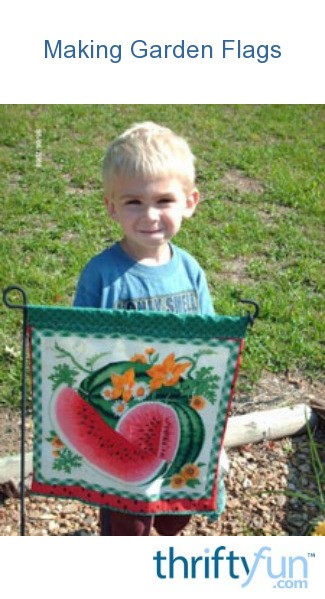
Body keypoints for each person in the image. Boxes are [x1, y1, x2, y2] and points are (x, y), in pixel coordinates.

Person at [74, 121, 227, 535]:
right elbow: (80, 352)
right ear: (111, 207)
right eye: (134, 202)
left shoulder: (192, 271)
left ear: (190, 202)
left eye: (163, 199)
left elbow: (211, 349)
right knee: (128, 528)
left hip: (181, 427)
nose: (150, 215)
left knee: (175, 518)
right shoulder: (100, 275)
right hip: (118, 425)